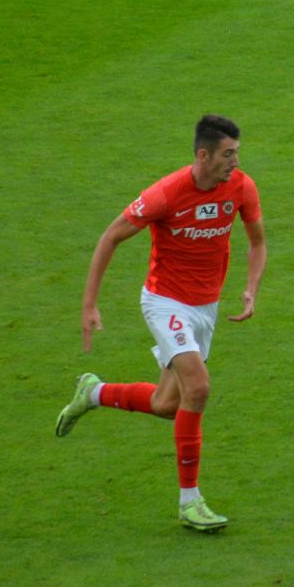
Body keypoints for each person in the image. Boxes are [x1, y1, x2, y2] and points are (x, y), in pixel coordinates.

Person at [55, 114, 267, 532]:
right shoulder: (166, 194)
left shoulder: (241, 187)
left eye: (237, 153)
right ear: (203, 155)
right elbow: (110, 237)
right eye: (228, 154)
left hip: (205, 308)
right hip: (165, 302)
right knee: (199, 388)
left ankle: (93, 392)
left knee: (167, 405)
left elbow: (257, 242)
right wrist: (89, 304)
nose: (235, 162)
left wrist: (251, 288)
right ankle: (190, 502)